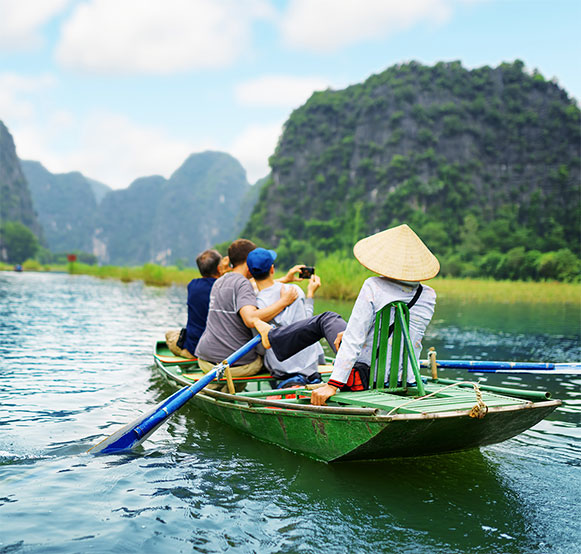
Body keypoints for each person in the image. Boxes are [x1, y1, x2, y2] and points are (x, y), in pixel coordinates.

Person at [254, 224, 439, 406]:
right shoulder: (428, 295)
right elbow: (404, 336)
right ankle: (272, 336)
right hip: (405, 377)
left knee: (326, 319)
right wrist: (352, 332)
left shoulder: (373, 286)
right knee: (339, 326)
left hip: (365, 376)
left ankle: (271, 337)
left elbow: (354, 340)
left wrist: (333, 384)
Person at [194, 239, 301, 391]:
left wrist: (285, 279)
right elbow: (251, 318)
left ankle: (220, 389)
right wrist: (284, 301)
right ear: (248, 261)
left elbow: (249, 286)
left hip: (204, 359)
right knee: (270, 358)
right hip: (233, 365)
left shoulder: (220, 281)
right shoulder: (243, 284)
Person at [246, 247, 325, 388]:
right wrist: (310, 294)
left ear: (249, 272)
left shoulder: (253, 304)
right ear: (272, 269)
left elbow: (261, 348)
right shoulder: (294, 291)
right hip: (309, 366)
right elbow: (308, 324)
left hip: (281, 369)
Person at [165, 248, 228, 358]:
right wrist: (225, 272)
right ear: (219, 268)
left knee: (169, 335)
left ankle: (186, 354)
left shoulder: (192, 286)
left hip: (193, 348)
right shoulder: (225, 288)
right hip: (219, 349)